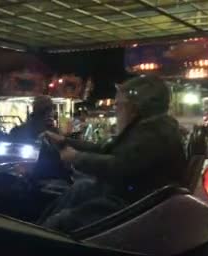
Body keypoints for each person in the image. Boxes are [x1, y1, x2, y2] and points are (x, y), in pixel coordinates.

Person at [40, 75, 186, 232]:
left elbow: (120, 165)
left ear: (136, 107)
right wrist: (64, 141)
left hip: (135, 204)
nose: (116, 109)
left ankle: (41, 239)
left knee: (63, 219)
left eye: (119, 105)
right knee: (81, 187)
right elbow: (106, 149)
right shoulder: (146, 128)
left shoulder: (155, 133)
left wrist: (76, 158)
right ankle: (38, 229)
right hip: (133, 196)